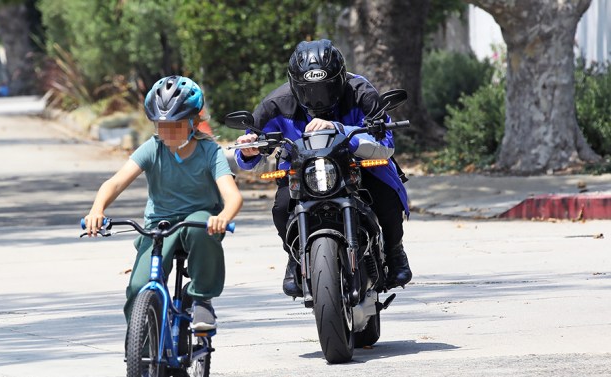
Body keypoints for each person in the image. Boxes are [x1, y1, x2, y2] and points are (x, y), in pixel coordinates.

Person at [233, 39, 412, 297]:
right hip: (300, 171)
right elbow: (251, 149)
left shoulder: (361, 91)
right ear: (294, 84)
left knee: (386, 196)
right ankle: (295, 257)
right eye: (308, 90)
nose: (318, 98)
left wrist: (341, 129)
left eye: (326, 88)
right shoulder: (275, 103)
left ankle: (395, 251)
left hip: (358, 167)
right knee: (282, 208)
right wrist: (249, 149)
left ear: (340, 79)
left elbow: (385, 143)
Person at [85, 75, 243, 332]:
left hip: (199, 220)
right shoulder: (152, 148)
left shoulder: (210, 152)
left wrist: (224, 216)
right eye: (161, 125)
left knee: (200, 227)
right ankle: (143, 355)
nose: (167, 132)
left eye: (176, 125)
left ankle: (201, 298)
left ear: (193, 122)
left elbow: (233, 196)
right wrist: (97, 209)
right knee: (138, 288)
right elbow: (114, 183)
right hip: (161, 226)